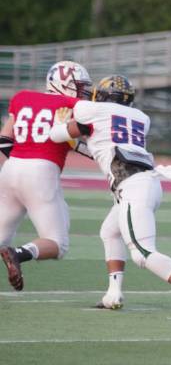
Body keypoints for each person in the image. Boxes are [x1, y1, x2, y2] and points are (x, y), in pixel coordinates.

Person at [49, 75, 171, 318]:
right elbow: (100, 147)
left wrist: (59, 123)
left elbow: (57, 135)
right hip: (146, 183)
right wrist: (75, 139)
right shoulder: (139, 118)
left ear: (101, 96)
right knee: (110, 231)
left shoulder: (90, 109)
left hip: (132, 185)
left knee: (142, 252)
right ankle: (114, 293)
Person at [0, 60, 93, 291]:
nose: (83, 91)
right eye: (79, 85)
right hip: (42, 171)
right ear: (66, 83)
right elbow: (93, 147)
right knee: (57, 243)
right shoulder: (76, 105)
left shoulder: (22, 97)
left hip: (11, 167)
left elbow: (3, 140)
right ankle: (20, 253)